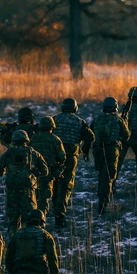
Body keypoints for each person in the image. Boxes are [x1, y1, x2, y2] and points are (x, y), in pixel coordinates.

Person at [52, 98, 95, 229]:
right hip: (70, 157)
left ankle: (53, 210)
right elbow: (91, 137)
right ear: (75, 108)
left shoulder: (54, 119)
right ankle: (60, 216)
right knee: (65, 186)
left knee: (54, 184)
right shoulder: (79, 121)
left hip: (54, 156)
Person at [0, 129, 49, 233]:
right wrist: (35, 171)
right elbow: (45, 171)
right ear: (26, 140)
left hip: (12, 193)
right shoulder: (33, 153)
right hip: (28, 193)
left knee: (13, 222)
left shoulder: (8, 154)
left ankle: (13, 243)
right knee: (29, 221)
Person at [90, 97, 131, 214]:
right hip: (112, 150)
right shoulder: (118, 120)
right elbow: (127, 136)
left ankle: (101, 198)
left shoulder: (96, 119)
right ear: (115, 107)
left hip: (98, 150)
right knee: (108, 177)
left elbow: (90, 135)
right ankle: (103, 204)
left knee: (101, 174)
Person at [28, 117, 66, 218]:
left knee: (33, 196)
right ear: (52, 126)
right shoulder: (55, 139)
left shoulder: (33, 138)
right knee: (44, 198)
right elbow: (62, 157)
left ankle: (31, 218)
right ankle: (41, 219)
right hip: (48, 172)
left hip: (33, 171)